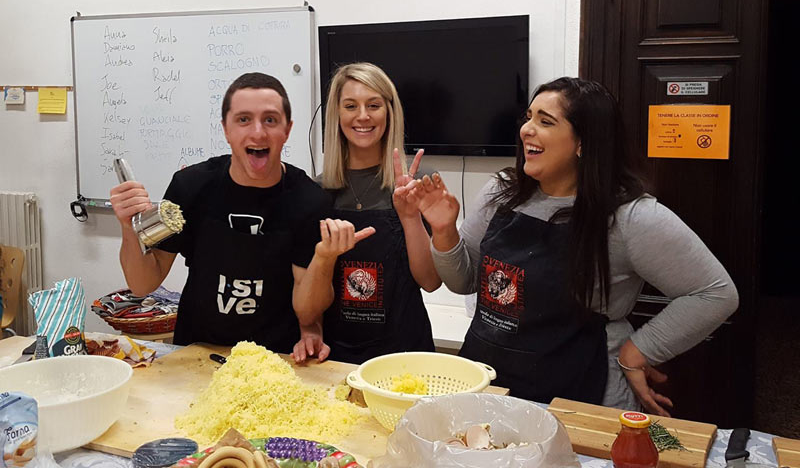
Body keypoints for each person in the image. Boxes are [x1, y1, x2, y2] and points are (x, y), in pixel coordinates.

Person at [397, 77, 738, 415]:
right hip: (489, 384)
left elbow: (715, 293)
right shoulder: (502, 191)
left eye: (545, 121)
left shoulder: (630, 217)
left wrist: (638, 351)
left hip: (577, 397)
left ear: (583, 142)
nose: (526, 130)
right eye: (528, 117)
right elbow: (462, 281)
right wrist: (443, 232)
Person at [110, 72, 340, 352]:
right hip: (197, 352)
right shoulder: (190, 188)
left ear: (287, 130)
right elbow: (143, 283)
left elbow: (307, 309)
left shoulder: (309, 201)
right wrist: (127, 226)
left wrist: (311, 328)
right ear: (226, 129)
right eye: (243, 119)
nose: (258, 132)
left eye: (270, 120)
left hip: (275, 360)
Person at [292, 62, 441, 364]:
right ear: (337, 114)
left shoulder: (417, 184)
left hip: (407, 355)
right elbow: (308, 309)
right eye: (351, 106)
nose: (363, 116)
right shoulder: (315, 192)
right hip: (336, 358)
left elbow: (430, 281)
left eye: (373, 105)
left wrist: (410, 216)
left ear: (389, 112)